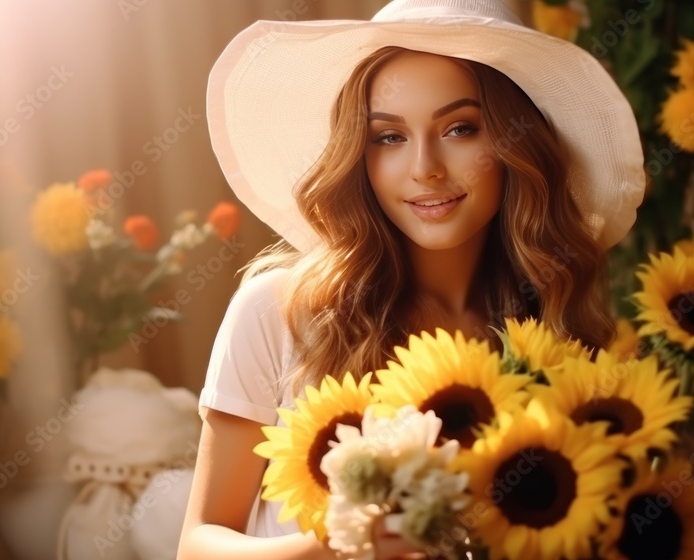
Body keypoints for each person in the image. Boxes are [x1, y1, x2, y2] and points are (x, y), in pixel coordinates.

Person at [179, 0, 644, 558]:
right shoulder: (278, 311)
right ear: (360, 154)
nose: (425, 167)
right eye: (390, 137)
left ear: (517, 145)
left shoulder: (550, 326)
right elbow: (198, 545)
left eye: (460, 128)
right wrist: (342, 545)